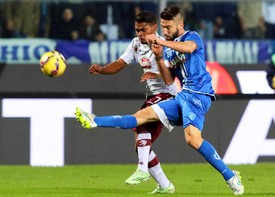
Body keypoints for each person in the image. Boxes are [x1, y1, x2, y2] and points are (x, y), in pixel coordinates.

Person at [75, 6, 244, 195]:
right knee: (141, 117)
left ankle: (230, 176)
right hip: (182, 95)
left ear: (180, 24)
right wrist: (159, 58)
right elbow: (170, 79)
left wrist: (161, 44)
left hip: (198, 94)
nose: (165, 32)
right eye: (163, 28)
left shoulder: (192, 36)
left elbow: (188, 48)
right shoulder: (167, 50)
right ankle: (95, 120)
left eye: (168, 27)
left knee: (192, 139)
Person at [84, 11, 176, 194]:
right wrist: (101, 69)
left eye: (143, 30)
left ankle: (142, 169)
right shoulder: (136, 44)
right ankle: (165, 185)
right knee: (141, 144)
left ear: (154, 27)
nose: (140, 34)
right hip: (152, 97)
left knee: (139, 125)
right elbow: (119, 64)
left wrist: (154, 73)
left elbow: (172, 77)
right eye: (137, 30)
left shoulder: (165, 45)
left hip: (168, 96)